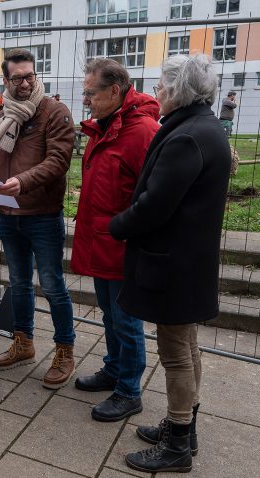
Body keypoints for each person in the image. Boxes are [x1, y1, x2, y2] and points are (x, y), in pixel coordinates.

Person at [109, 54, 231, 473]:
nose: (156, 91)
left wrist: (118, 225)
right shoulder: (204, 127)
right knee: (188, 345)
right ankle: (185, 427)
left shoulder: (186, 137)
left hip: (173, 264)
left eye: (161, 85)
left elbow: (155, 205)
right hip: (190, 261)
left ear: (179, 90)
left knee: (176, 351)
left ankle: (177, 444)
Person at [70, 58, 160, 422]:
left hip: (123, 244)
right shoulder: (106, 126)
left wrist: (127, 229)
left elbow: (153, 194)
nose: (86, 99)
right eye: (85, 91)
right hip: (100, 240)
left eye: (91, 92)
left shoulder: (141, 132)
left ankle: (129, 390)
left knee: (126, 320)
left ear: (115, 91)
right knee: (109, 314)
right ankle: (114, 368)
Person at [0, 48, 77, 389]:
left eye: (30, 76)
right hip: (10, 217)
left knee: (52, 286)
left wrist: (23, 181)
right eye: (18, 77)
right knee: (19, 283)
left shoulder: (55, 112)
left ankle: (65, 350)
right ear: (6, 80)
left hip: (42, 215)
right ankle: (23, 342)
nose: (25, 83)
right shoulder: (3, 117)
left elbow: (58, 161)